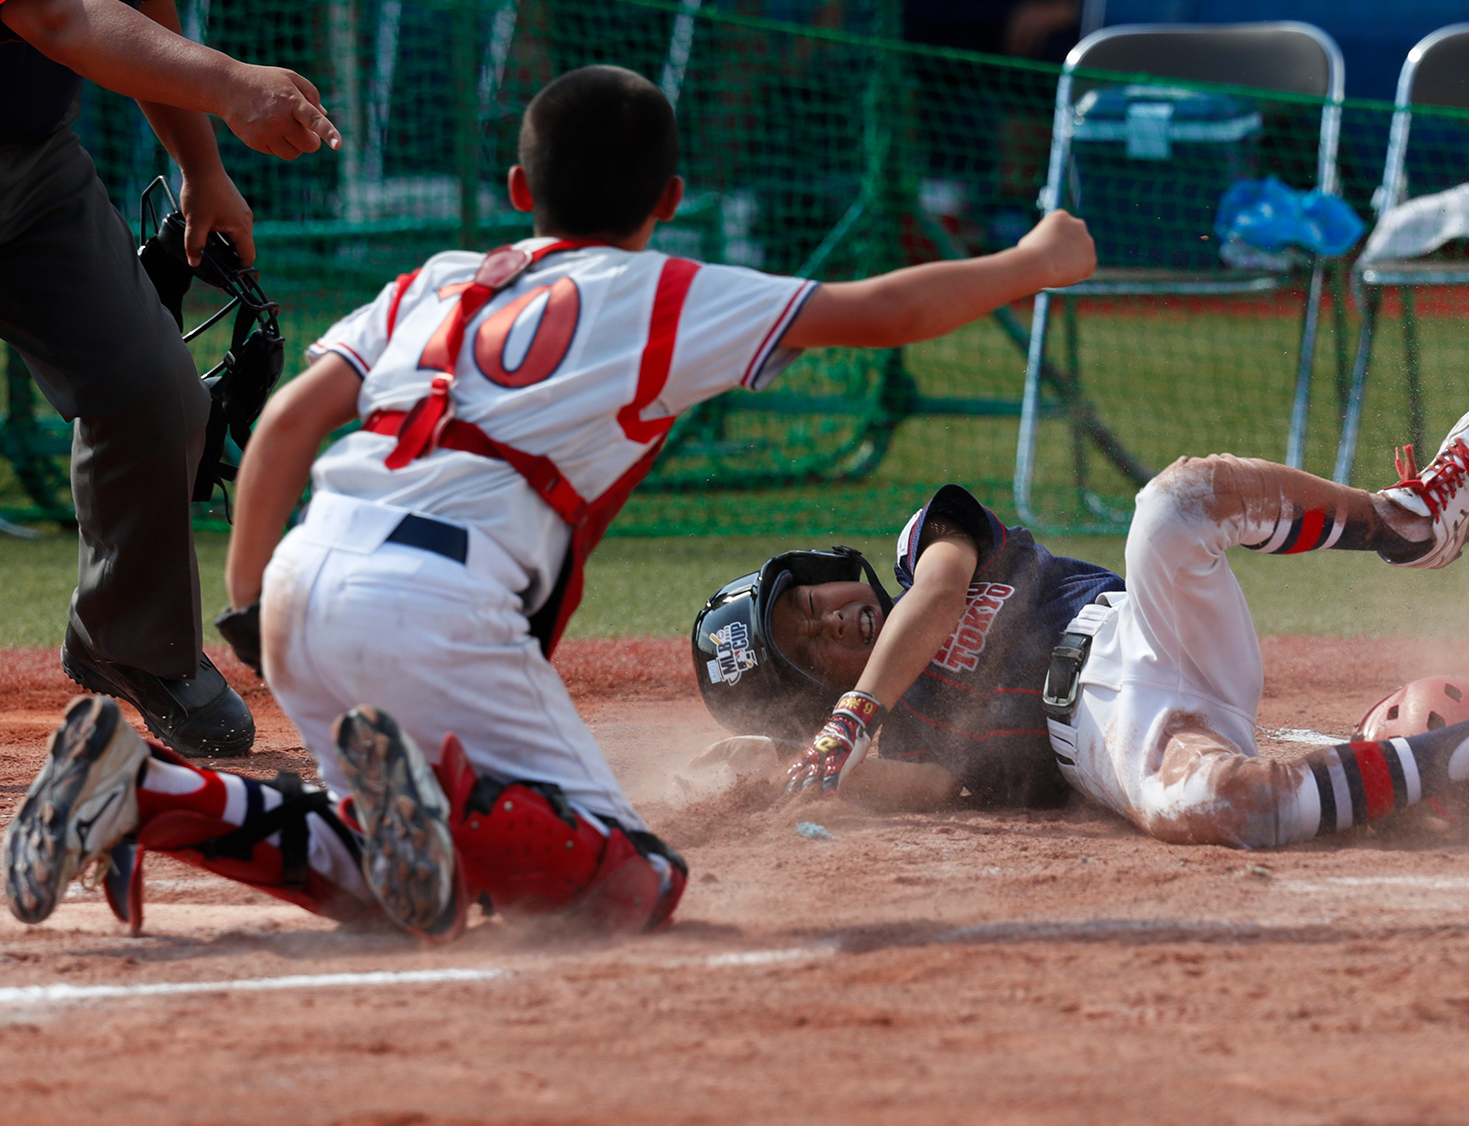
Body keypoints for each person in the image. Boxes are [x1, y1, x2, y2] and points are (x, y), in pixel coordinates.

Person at [2, 64, 1100, 941]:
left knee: (394, 882)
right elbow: (887, 310)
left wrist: (248, 605)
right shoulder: (662, 289)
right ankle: (447, 799)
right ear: (669, 203)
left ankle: (148, 791)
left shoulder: (437, 278)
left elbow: (286, 423)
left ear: (520, 192)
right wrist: (1033, 257)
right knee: (636, 886)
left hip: (305, 577)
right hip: (445, 601)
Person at [691, 396, 1469, 847]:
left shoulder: (920, 549)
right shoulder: (900, 737)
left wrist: (847, 718)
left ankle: (1407, 520)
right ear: (803, 692)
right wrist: (802, 769)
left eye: (811, 603)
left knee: (1171, 506)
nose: (831, 624)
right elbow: (928, 786)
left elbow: (938, 598)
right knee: (1234, 807)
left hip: (1144, 629)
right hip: (1119, 740)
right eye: (806, 648)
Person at [0, 0, 341, 758]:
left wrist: (202, 167)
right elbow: (56, 17)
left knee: (152, 390)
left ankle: (131, 641)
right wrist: (232, 84)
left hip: (34, 165)